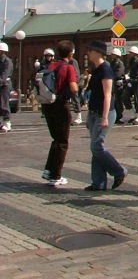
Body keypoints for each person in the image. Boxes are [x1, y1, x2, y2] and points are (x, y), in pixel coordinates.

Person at [84, 40, 128, 191]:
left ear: (98, 52)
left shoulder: (106, 70)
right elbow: (93, 94)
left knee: (97, 147)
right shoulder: (96, 69)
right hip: (94, 112)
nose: (88, 53)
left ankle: (119, 171)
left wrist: (104, 117)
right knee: (95, 148)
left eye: (91, 50)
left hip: (106, 113)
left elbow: (107, 95)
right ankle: (99, 183)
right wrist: (88, 115)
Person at [41, 40, 79, 186]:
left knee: (55, 138)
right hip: (61, 104)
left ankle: (48, 170)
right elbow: (74, 88)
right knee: (63, 141)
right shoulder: (68, 68)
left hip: (48, 105)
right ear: (71, 53)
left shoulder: (51, 65)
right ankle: (56, 176)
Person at [0, 41, 14, 133]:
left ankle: (7, 123)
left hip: (4, 86)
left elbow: (4, 76)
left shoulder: (7, 62)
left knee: (4, 103)